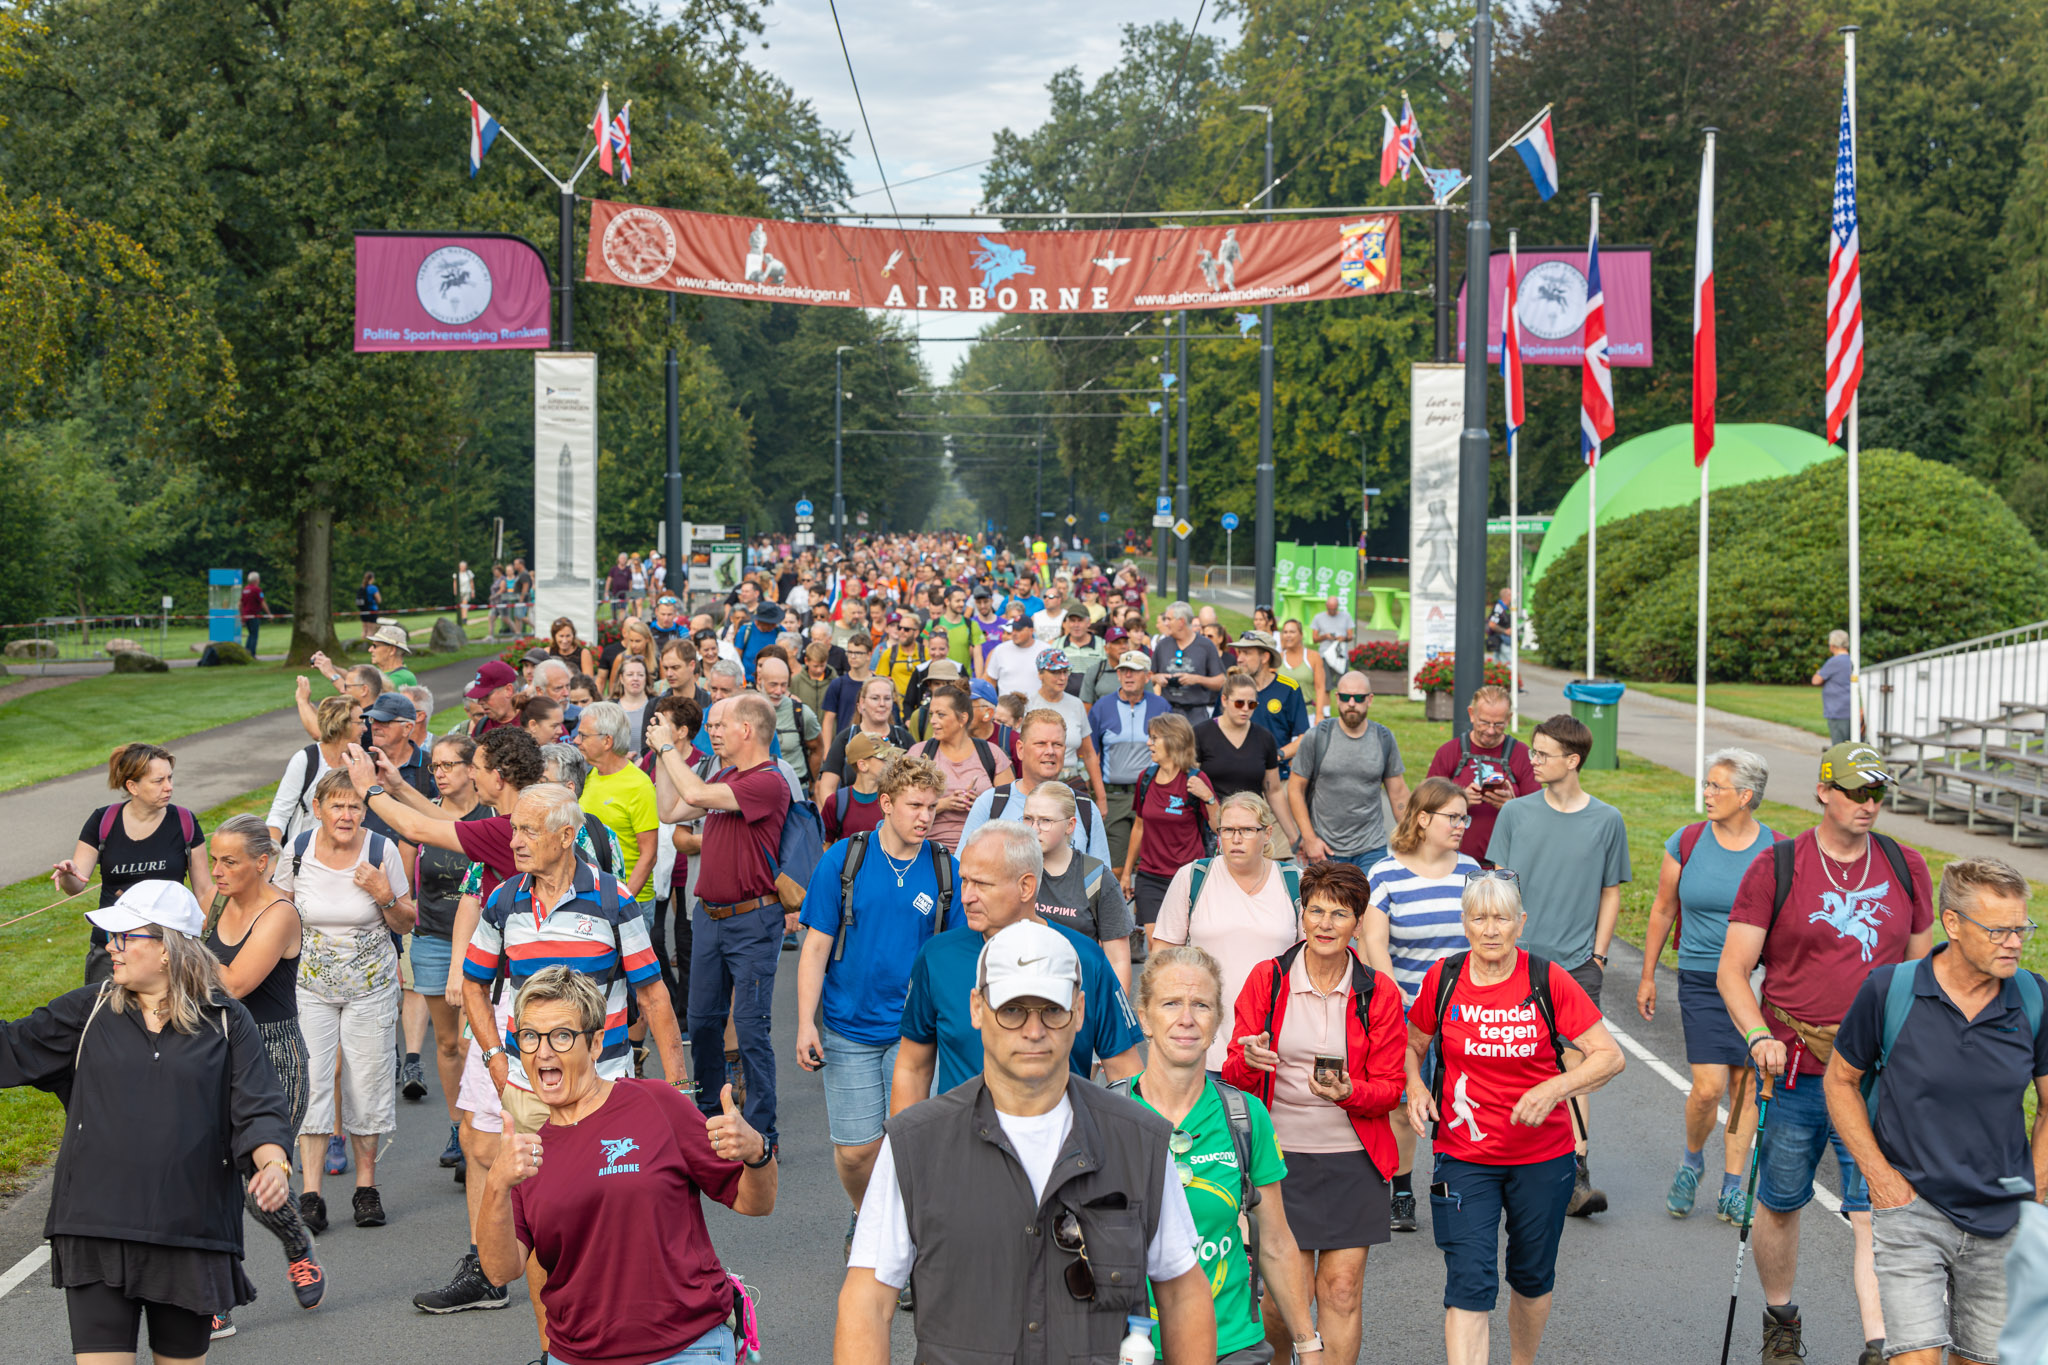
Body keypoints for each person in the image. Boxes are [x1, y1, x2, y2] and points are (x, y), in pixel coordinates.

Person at [839, 919, 1215, 1365]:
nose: (1033, 1031)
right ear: (977, 1008)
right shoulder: (915, 1146)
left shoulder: (1139, 1140)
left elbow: (1182, 1294)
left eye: (1051, 1011)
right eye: (1013, 1010)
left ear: (1078, 1010)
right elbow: (868, 1301)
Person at [0, 880, 295, 1364]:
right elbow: (10, 1049)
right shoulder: (90, 1009)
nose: (110, 948)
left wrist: (272, 1165)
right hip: (95, 1225)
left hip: (189, 1231)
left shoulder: (226, 1020)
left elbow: (258, 1107)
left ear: (167, 949)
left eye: (125, 937)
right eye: (111, 938)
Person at [1718, 741, 1935, 1365]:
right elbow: (1733, 971)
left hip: (1877, 1075)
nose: (1870, 804)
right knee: (1782, 1202)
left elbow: (1922, 969)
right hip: (1796, 1070)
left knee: (1878, 1207)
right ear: (1823, 791)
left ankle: (1880, 1342)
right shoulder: (1777, 866)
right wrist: (1759, 1036)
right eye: (1857, 792)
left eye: (1878, 794)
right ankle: (1781, 1319)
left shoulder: (1904, 863)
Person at [460, 782, 690, 1348]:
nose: (514, 841)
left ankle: (630, 1334)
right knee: (544, 1228)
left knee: (617, 1218)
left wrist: (678, 1086)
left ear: (567, 837)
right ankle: (553, 1347)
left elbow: (653, 996)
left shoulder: (612, 898)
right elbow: (473, 983)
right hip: (530, 1092)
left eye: (528, 831)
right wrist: (495, 1060)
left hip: (606, 1091)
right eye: (514, 829)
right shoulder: (504, 900)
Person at [477, 967, 775, 1365]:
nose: (543, 1052)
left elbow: (755, 1202)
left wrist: (757, 1151)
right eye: (530, 1037)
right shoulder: (525, 1155)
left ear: (596, 1043)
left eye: (561, 1036)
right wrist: (496, 1183)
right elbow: (500, 1271)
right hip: (578, 1357)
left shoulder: (656, 1104)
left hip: (687, 1349)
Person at [1826, 857, 2047, 1365]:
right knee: (1915, 1359)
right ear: (1953, 924)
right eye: (1999, 930)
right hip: (1913, 1208)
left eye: (2021, 928)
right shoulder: (1890, 991)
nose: (2015, 942)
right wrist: (1879, 1177)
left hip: (2003, 1220)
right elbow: (1841, 1081)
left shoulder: (2034, 998)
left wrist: (2034, 1188)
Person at [1404, 872, 1626, 1365]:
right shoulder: (1445, 978)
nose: (1489, 929)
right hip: (1464, 1156)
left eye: (1501, 917)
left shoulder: (1548, 979)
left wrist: (1556, 1087)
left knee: (1530, 1277)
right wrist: (1414, 1085)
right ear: (1464, 923)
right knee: (1468, 1281)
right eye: (1479, 917)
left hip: (1542, 1158)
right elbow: (1413, 1041)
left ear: (1520, 923)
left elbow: (1608, 1056)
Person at [1223, 861, 1406, 1365]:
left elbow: (1392, 1089)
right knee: (1286, 1300)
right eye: (1316, 911)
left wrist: (1349, 1093)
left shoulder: (1379, 993)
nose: (1325, 924)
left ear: (1358, 923)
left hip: (1354, 1158)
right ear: (1302, 915)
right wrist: (1248, 1058)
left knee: (1342, 1290)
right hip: (1281, 1160)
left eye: (1340, 914)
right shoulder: (1269, 979)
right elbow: (1233, 1072)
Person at [1116, 944, 1326, 1365]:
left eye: (1202, 1005)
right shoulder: (1109, 1118)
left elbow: (1277, 1243)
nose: (1187, 1019)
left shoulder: (1247, 1117)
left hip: (1231, 1345)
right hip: (1132, 1349)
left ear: (1217, 1024)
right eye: (1171, 1003)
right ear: (1144, 1018)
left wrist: (1308, 1344)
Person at [796, 756, 962, 1233]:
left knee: (911, 1146)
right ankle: (867, 1214)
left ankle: (901, 1239)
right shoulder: (844, 859)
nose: (926, 817)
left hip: (915, 1034)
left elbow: (954, 956)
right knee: (855, 1151)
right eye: (915, 805)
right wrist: (806, 1022)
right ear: (886, 804)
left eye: (932, 807)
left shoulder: (945, 869)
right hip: (848, 1028)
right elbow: (816, 948)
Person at [1484, 712, 1629, 1216]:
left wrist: (1600, 956)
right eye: (1533, 752)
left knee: (1576, 1061)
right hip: (1516, 958)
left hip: (1577, 964)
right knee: (1510, 1059)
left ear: (1574, 760)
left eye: (1543, 754)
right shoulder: (1516, 814)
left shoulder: (1607, 820)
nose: (1532, 761)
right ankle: (1502, 1161)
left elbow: (1611, 890)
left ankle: (1575, 1172)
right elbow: (1497, 884)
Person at [893, 821, 1143, 1105]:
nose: (966, 897)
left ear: (1026, 886)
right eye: (964, 880)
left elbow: (1125, 1072)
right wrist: (903, 1146)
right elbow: (913, 1067)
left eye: (982, 883)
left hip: (1064, 1144)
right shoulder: (936, 957)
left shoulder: (1083, 958)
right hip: (960, 1145)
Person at [1635, 748, 1779, 1223]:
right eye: (1707, 784)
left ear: (1746, 796)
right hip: (1701, 976)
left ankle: (1733, 1187)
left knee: (1745, 1083)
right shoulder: (1688, 841)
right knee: (1708, 1086)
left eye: (1717, 786)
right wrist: (1648, 973)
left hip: (1756, 981)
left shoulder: (1779, 851)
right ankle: (1693, 1160)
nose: (1707, 793)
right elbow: (1662, 909)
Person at [648, 696, 793, 1155]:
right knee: (706, 1025)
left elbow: (692, 796)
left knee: (750, 1027)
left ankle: (763, 1132)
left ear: (747, 730)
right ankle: (709, 1119)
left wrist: (669, 748)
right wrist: (660, 754)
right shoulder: (723, 775)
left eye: (719, 724)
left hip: (753, 920)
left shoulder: (768, 781)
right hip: (710, 918)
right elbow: (670, 811)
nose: (712, 732)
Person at [277, 770, 416, 1234]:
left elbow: (406, 922)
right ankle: (312, 1194)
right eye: (336, 805)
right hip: (310, 988)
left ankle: (366, 1188)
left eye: (355, 805)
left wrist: (384, 894)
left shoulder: (383, 851)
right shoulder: (296, 852)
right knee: (313, 1082)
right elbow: (276, 916)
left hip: (371, 988)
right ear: (317, 808)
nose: (346, 814)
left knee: (367, 1080)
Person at [203, 816, 325, 1327]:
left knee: (259, 1184)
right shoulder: (218, 903)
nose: (217, 871)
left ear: (262, 862)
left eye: (229, 861)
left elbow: (232, 983)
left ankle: (297, 1243)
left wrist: (178, 944)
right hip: (213, 1052)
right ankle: (214, 1297)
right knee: (206, 1179)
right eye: (213, 860)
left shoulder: (280, 913)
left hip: (273, 1055)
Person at [1362, 776, 1480, 1232]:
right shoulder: (1385, 873)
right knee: (1401, 1104)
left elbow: (1485, 937)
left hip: (1462, 1012)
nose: (1461, 825)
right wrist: (1398, 1004)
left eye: (1464, 817)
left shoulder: (1471, 872)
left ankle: (1461, 1186)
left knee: (1462, 1102)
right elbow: (1375, 944)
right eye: (1453, 817)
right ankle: (1402, 1191)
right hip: (1407, 1009)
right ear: (1423, 818)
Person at [53, 742, 211, 986]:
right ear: (132, 786)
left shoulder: (184, 822)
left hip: (167, 949)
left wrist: (205, 941)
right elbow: (75, 885)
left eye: (170, 778)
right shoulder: (103, 821)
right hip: (113, 947)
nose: (169, 787)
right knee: (107, 1017)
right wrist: (68, 874)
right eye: (158, 781)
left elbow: (204, 892)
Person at [410, 733, 491, 1174]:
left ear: (471, 769)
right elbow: (407, 881)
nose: (439, 774)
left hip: (483, 944)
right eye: (434, 767)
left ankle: (480, 1126)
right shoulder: (425, 818)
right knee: (445, 1043)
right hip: (433, 940)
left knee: (472, 1038)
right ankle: (457, 1126)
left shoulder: (490, 815)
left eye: (448, 766)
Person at [959, 708, 1115, 868]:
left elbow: (1102, 880)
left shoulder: (1084, 808)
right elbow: (962, 868)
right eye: (1040, 744)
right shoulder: (991, 803)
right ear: (1020, 749)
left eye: (1057, 744)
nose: (1050, 751)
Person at [1289, 671, 1410, 869]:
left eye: (1359, 698)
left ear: (1370, 700)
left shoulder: (1384, 738)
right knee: (1326, 901)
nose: (1351, 703)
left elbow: (1398, 793)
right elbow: (1295, 789)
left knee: (1370, 901)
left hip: (1372, 849)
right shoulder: (1318, 737)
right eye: (1345, 697)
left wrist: (1410, 837)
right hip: (1325, 850)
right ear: (1337, 698)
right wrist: (1309, 839)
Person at [1024, 781, 1134, 992]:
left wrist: (1118, 1017)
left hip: (1082, 1000)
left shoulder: (1096, 877)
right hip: (1023, 996)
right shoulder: (1013, 869)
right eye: (1028, 819)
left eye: (1046, 820)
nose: (1034, 829)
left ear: (1070, 825)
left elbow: (1118, 960)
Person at [1122, 713, 1217, 949]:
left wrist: (1209, 797)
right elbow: (1139, 826)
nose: (1148, 743)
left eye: (1154, 738)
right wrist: (1126, 873)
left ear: (1173, 741)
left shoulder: (1196, 779)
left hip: (1188, 877)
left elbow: (1219, 827)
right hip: (1150, 877)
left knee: (1185, 947)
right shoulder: (1146, 778)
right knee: (1157, 946)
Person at [1423, 684, 1539, 865]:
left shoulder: (1521, 755)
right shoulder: (1449, 752)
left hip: (1506, 865)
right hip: (1453, 864)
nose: (1491, 731)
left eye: (1499, 724)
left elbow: (1538, 815)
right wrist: (1459, 801)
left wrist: (1513, 806)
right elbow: (1424, 807)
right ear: (1471, 714)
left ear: (1509, 718)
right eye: (1484, 722)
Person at [573, 701, 662, 914]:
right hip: (592, 899)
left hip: (628, 902)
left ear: (607, 741)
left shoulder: (638, 785)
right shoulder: (589, 776)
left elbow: (649, 855)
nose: (576, 741)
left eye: (584, 736)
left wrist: (622, 903)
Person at [1089, 647, 1172, 872]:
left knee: (1148, 863)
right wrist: (1101, 797)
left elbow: (1170, 754)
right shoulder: (1102, 707)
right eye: (1123, 670)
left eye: (1134, 671)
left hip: (1151, 794)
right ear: (1117, 675)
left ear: (1147, 676)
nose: (1128, 676)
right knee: (1114, 867)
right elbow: (1091, 756)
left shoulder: (1161, 707)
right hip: (1114, 796)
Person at [909, 685, 1013, 853]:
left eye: (940, 715)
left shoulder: (991, 754)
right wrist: (944, 804)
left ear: (962, 718)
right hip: (928, 851)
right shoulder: (918, 753)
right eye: (931, 714)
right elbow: (902, 806)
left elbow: (1011, 807)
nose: (933, 721)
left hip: (983, 850)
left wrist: (981, 804)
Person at [1196, 671, 1289, 849]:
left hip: (1250, 828)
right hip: (1211, 828)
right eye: (1239, 703)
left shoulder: (1264, 738)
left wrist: (1294, 837)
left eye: (1251, 703)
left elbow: (1274, 791)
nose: (1245, 709)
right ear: (1224, 700)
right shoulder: (1201, 734)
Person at [1027, 648, 1110, 812]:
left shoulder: (1076, 704)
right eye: (1056, 672)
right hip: (1038, 783)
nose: (1062, 678)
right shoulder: (1029, 704)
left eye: (1066, 672)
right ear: (1040, 674)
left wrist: (1101, 798)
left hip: (1072, 781)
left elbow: (1089, 754)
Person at [816, 676, 912, 806]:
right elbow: (827, 786)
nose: (882, 704)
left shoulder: (904, 739)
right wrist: (836, 816)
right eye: (875, 698)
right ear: (861, 704)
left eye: (887, 698)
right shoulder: (846, 738)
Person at [1152, 601, 1226, 720]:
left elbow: (1221, 681)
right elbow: (1149, 676)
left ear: (1181, 622)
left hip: (1196, 714)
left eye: (1169, 619)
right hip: (1168, 713)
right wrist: (1157, 678)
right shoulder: (1162, 645)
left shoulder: (1206, 645)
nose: (1165, 623)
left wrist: (1196, 679)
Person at [823, 733, 897, 844]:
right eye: (883, 758)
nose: (890, 763)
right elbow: (825, 844)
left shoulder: (894, 799)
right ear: (862, 765)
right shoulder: (836, 802)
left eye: (891, 757)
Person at [1276, 618, 1329, 721]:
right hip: (1282, 716)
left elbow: (1320, 687)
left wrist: (1319, 714)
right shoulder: (1278, 658)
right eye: (1285, 632)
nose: (1288, 635)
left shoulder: (1313, 657)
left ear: (1301, 635)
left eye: (1292, 632)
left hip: (1306, 714)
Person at [1813, 627, 1856, 745]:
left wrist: (1818, 672)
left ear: (1832, 645)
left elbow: (1816, 680)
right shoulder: (1851, 660)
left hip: (1838, 711)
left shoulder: (1835, 661)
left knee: (1839, 747)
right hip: (1850, 708)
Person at [981, 614, 1042, 697]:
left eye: (1018, 630)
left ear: (1031, 630)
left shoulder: (1044, 650)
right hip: (1007, 708)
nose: (1014, 633)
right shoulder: (1000, 650)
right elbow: (990, 681)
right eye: (1013, 629)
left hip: (1037, 707)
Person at [1309, 594, 1355, 671]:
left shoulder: (1346, 616)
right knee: (1326, 682)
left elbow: (1351, 636)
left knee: (1342, 681)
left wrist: (1344, 638)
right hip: (1325, 655)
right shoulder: (1318, 617)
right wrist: (1325, 636)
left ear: (1337, 606)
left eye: (1334, 608)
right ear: (1326, 606)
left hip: (1341, 655)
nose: (1332, 611)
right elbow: (1314, 639)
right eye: (1330, 609)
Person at [362, 623, 418, 688]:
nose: (370, 650)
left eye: (375, 646)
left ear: (392, 650)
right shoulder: (384, 674)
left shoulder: (401, 678)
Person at [240, 571, 268, 655]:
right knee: (254, 635)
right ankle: (251, 654)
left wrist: (242, 615)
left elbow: (240, 604)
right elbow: (262, 602)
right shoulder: (257, 590)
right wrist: (269, 613)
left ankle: (246, 653)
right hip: (254, 615)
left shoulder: (245, 590)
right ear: (256, 580)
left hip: (246, 616)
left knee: (250, 634)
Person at [1485, 585, 1514, 662]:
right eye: (1512, 594)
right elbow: (1492, 624)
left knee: (1498, 663)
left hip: (1502, 640)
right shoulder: (1499, 608)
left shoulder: (1505, 608)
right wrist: (1505, 631)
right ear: (1507, 596)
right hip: (1501, 640)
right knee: (1510, 662)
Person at [356, 570, 382, 635]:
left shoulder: (362, 587)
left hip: (363, 610)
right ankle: (369, 645)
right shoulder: (373, 588)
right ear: (372, 578)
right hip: (372, 610)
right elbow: (379, 600)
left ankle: (362, 644)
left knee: (364, 631)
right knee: (371, 631)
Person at [454, 560, 474, 627]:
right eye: (462, 566)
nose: (463, 567)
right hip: (460, 592)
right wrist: (455, 591)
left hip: (467, 591)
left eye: (464, 566)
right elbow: (455, 583)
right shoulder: (457, 574)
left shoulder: (469, 573)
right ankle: (461, 618)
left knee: (464, 605)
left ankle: (464, 619)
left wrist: (473, 591)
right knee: (460, 606)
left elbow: (471, 583)